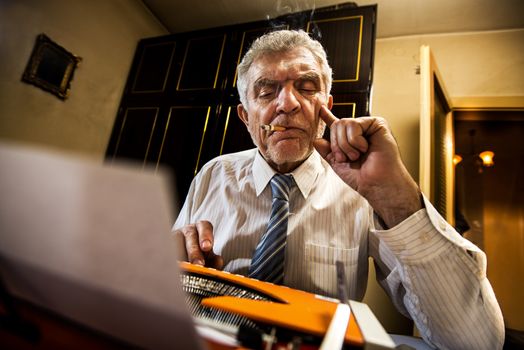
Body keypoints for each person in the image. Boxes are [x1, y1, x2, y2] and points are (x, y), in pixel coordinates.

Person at [173, 30, 504, 349]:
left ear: (326, 106)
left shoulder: (364, 189)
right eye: (266, 91)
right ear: (246, 117)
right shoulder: (214, 174)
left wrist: (396, 197)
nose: (287, 103)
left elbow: (474, 342)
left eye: (306, 88)